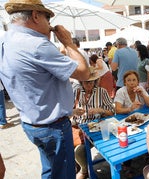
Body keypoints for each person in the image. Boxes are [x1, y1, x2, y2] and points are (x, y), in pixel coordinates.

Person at [0, 0, 90, 178]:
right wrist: (69, 43)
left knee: (50, 170)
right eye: (47, 18)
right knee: (63, 174)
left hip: (31, 123)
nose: (50, 24)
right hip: (54, 127)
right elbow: (84, 73)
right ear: (35, 15)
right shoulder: (37, 44)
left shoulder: (5, 39)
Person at [72, 67, 115, 179]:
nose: (89, 85)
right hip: (78, 127)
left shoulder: (102, 92)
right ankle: (80, 166)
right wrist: (74, 112)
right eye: (86, 82)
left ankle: (85, 170)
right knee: (65, 145)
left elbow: (112, 112)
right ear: (81, 82)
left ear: (95, 81)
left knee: (79, 151)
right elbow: (69, 112)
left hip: (96, 128)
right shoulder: (76, 92)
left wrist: (101, 110)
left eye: (91, 82)